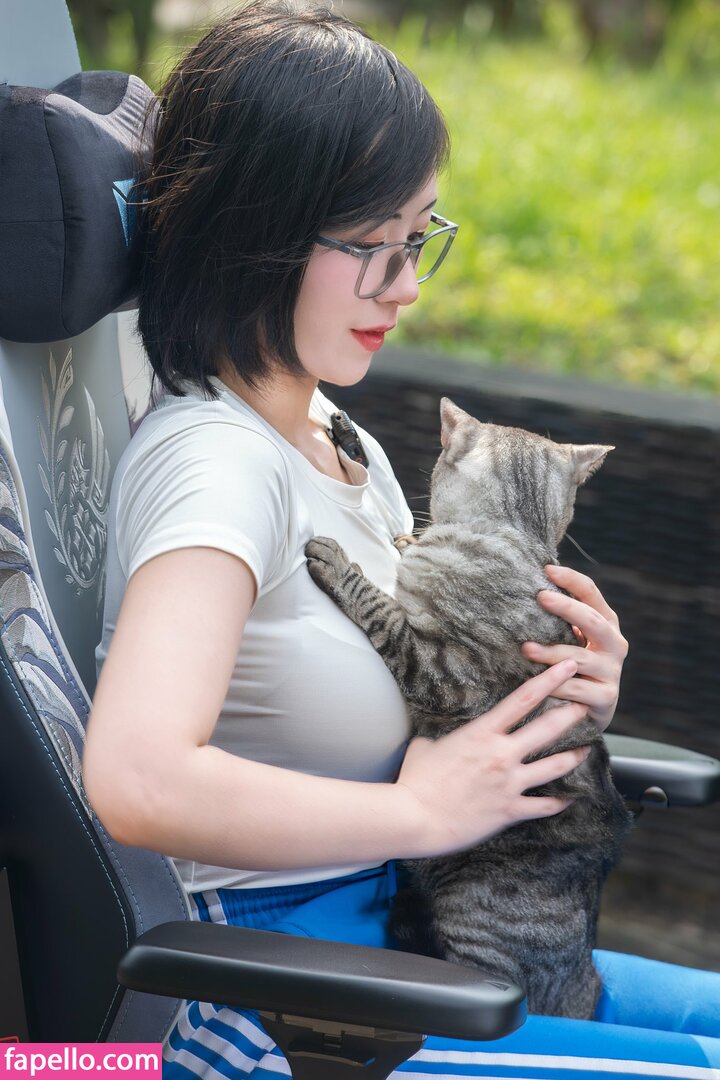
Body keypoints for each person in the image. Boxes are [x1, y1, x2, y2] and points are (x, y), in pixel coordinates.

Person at [83, 3, 720, 1077]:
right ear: (253, 234)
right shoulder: (219, 468)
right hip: (298, 1007)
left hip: (416, 937)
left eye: (417, 237)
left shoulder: (336, 437)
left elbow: (396, 671)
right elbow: (137, 778)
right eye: (369, 246)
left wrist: (553, 689)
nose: (409, 284)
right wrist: (417, 809)